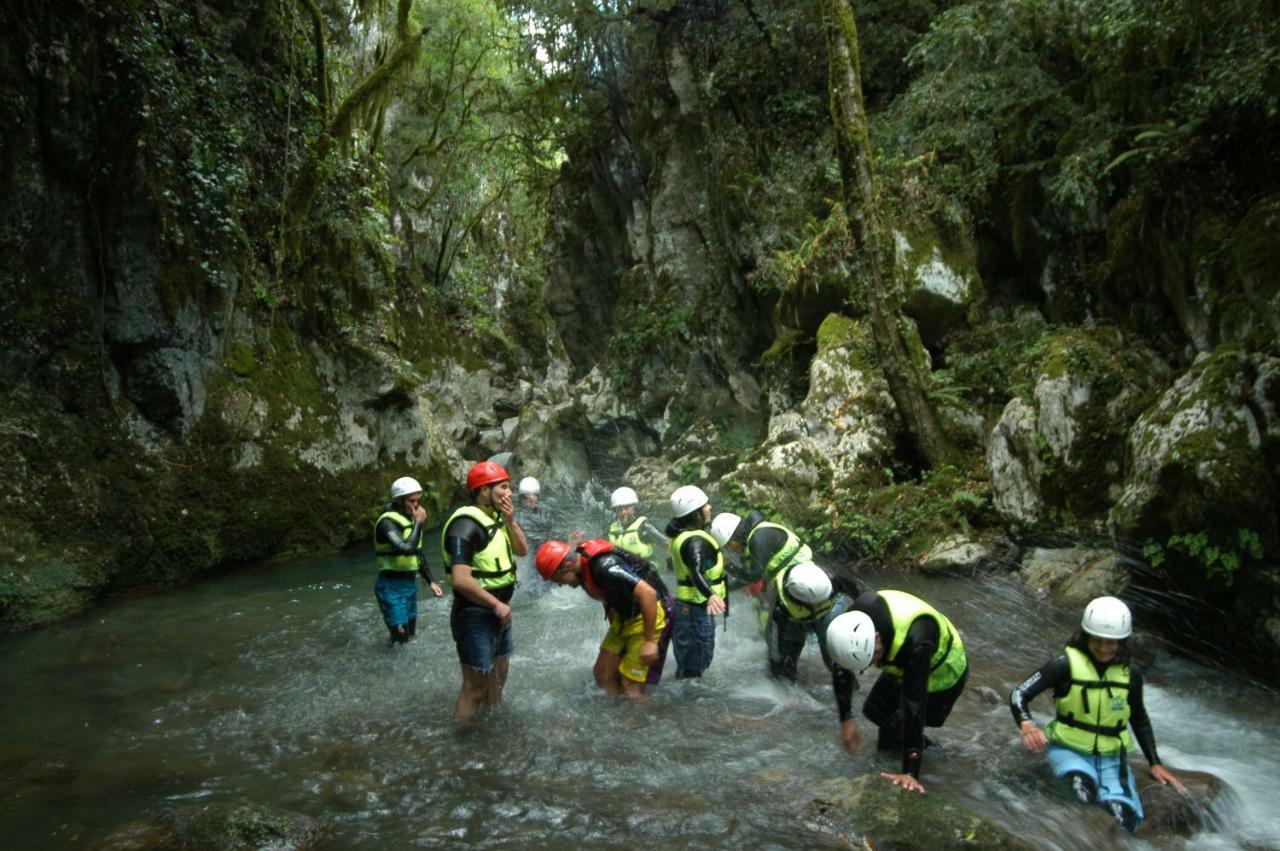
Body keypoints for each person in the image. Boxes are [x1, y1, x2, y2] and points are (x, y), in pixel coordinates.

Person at [1009, 596, 1185, 832]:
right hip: (1068, 749)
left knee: (1123, 819)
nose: (1103, 649)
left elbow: (1139, 718)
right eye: (1097, 640)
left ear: (1122, 642)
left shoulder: (1130, 674)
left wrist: (1155, 762)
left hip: (1112, 757)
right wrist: (1027, 724)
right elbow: (1019, 694)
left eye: (1111, 643)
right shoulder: (1063, 665)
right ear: (1086, 636)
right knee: (1083, 795)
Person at [825, 589, 969, 795]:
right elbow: (841, 667)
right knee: (874, 711)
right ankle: (923, 750)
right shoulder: (851, 623)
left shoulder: (916, 638)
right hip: (904, 665)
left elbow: (914, 704)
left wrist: (910, 773)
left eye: (873, 657)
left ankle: (925, 759)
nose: (873, 664)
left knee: (894, 728)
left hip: (943, 675)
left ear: (877, 638)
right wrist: (846, 720)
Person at [440, 461, 529, 723]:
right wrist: (496, 605)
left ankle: (492, 733)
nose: (509, 492)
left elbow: (522, 550)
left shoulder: (497, 518)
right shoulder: (464, 527)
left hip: (498, 612)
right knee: (475, 687)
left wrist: (511, 521)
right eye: (503, 487)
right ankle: (463, 741)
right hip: (475, 614)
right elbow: (460, 580)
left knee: (498, 678)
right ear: (482, 491)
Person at [535, 538, 674, 697]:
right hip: (624, 619)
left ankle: (639, 720)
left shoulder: (605, 567)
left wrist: (649, 642)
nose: (560, 584)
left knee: (631, 685)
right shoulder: (584, 569)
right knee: (603, 673)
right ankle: (616, 715)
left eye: (557, 579)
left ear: (568, 566)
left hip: (648, 615)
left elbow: (648, 593)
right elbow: (607, 593)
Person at [710, 510, 813, 631]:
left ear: (734, 538)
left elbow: (754, 577)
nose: (730, 549)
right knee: (773, 630)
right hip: (791, 582)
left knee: (778, 630)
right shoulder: (751, 542)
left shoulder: (758, 538)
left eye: (728, 545)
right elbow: (745, 579)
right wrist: (718, 590)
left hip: (805, 578)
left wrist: (728, 565)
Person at [763, 561, 862, 686]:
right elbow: (774, 645)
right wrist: (776, 673)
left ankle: (852, 689)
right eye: (818, 602)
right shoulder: (781, 608)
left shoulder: (832, 579)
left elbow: (861, 597)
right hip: (795, 620)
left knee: (833, 657)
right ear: (801, 601)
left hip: (830, 610)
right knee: (786, 665)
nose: (820, 603)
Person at [665, 485, 726, 679]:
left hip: (688, 608)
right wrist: (712, 595)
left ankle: (685, 704)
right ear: (694, 513)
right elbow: (696, 573)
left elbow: (673, 566)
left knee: (690, 664)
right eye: (704, 505)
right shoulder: (695, 541)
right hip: (695, 609)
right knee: (695, 664)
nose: (709, 507)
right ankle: (690, 704)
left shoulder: (680, 537)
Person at [373, 476, 443, 644]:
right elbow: (406, 548)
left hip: (409, 585)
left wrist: (431, 581)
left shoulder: (409, 520)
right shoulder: (387, 523)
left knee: (411, 635)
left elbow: (417, 553)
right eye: (412, 501)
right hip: (390, 586)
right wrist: (419, 523)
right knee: (400, 637)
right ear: (398, 500)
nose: (417, 505)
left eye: (418, 500)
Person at [607, 486, 668, 564]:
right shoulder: (611, 530)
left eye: (626, 507)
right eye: (619, 509)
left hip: (646, 571)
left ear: (634, 508)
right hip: (624, 572)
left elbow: (665, 543)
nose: (623, 512)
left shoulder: (644, 527)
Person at [516, 476, 555, 597]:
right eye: (527, 497)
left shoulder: (546, 511)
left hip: (545, 552)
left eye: (534, 496)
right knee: (532, 584)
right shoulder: (517, 515)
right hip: (530, 554)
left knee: (549, 583)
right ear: (521, 499)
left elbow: (553, 531)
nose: (531, 499)